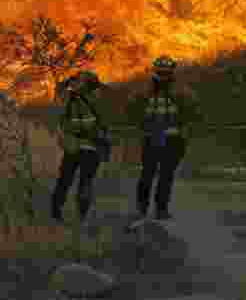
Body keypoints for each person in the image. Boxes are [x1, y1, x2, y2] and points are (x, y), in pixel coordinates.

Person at [126, 55, 201, 223]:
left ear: (172, 72)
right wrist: (141, 125)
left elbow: (193, 110)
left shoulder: (181, 90)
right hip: (151, 137)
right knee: (147, 174)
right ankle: (142, 209)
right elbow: (132, 109)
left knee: (166, 175)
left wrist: (184, 130)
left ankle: (161, 209)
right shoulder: (145, 90)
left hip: (173, 138)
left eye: (167, 72)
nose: (163, 76)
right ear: (155, 71)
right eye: (160, 72)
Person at [51, 70, 112, 224]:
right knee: (81, 182)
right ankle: (78, 215)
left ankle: (59, 213)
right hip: (85, 148)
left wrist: (67, 81)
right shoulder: (90, 98)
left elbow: (58, 95)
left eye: (78, 82)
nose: (75, 84)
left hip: (79, 147)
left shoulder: (78, 98)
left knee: (68, 181)